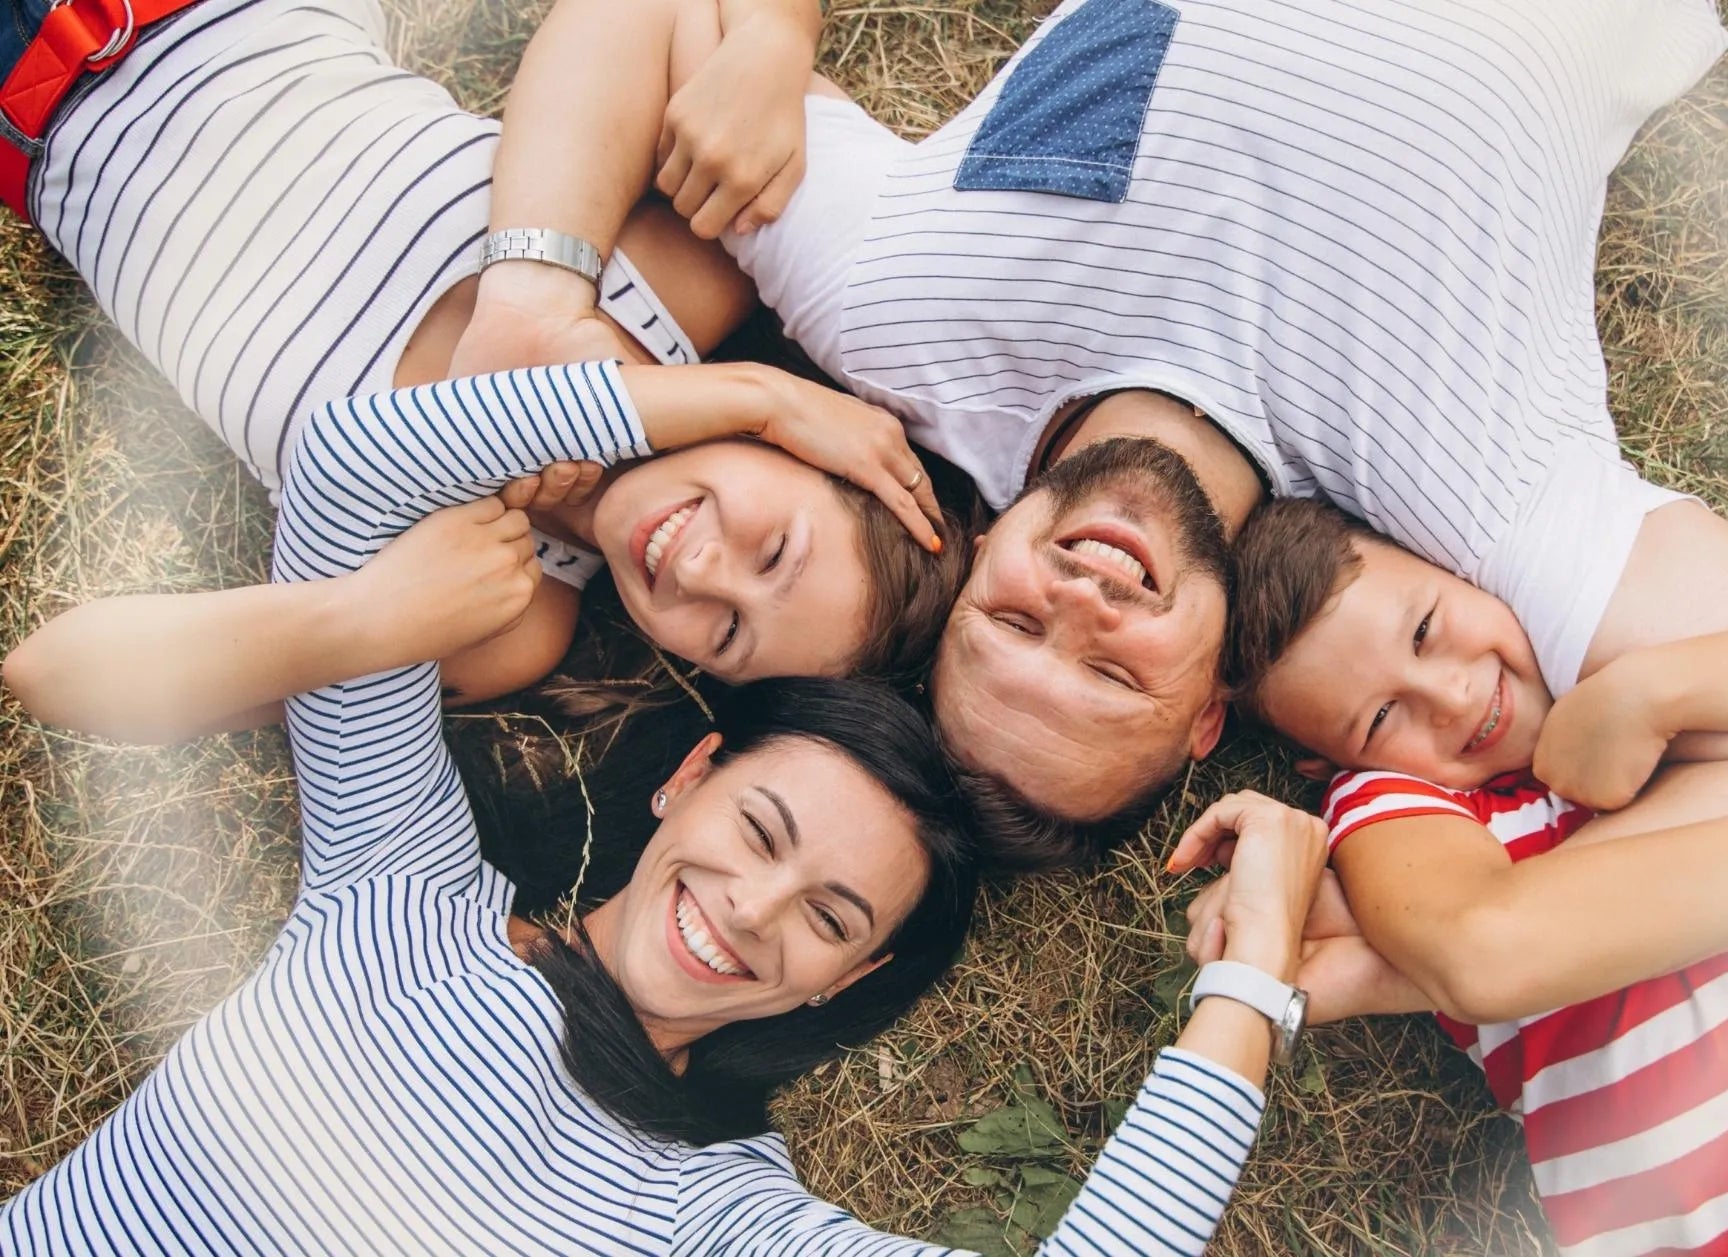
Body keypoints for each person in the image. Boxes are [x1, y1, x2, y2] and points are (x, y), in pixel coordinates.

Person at [471, 0, 1728, 867]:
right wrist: (1479, 932)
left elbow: (662, 17)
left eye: (1016, 626)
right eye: (1109, 674)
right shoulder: (1473, 501)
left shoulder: (901, 322)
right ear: (1207, 715)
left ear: (965, 556)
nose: (1084, 602)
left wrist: (535, 289)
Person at [0, 358, 1334, 1252]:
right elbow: (359, 458)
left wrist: (1253, 973)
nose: (751, 911)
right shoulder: (401, 893)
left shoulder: (710, 1218)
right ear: (687, 780)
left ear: (847, 980)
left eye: (829, 918)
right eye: (759, 831)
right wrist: (749, 399)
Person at [0, 0, 968, 738]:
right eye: (775, 551)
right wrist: (775, 41)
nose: (704, 573)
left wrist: (358, 619)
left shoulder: (506, 612)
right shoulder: (688, 279)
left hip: (29, 129)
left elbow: (59, 678)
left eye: (727, 636)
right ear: (806, 449)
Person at [1175, 496, 1728, 1255]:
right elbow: (1481, 941)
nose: (1452, 695)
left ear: (1465, 572)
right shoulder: (1396, 802)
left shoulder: (1653, 652)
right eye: (1381, 718)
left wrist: (1653, 694)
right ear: (1331, 765)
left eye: (1426, 629)